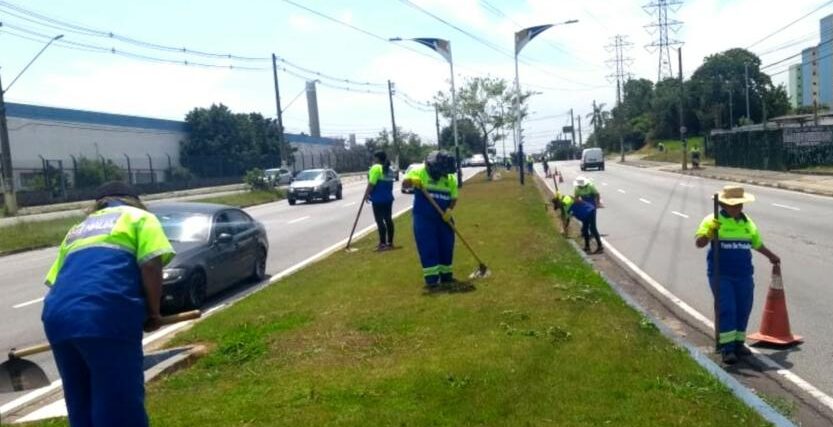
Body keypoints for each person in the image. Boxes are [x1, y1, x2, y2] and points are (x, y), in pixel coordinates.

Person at [42, 181, 175, 426]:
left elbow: (55, 280)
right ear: (134, 200)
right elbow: (150, 264)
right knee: (118, 403)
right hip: (106, 311)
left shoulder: (78, 229)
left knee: (81, 402)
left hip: (57, 317)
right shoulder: (139, 218)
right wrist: (154, 312)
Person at [695, 185, 780, 365]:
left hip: (744, 274)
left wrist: (772, 256)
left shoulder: (747, 223)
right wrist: (710, 232)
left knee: (744, 308)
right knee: (728, 309)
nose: (737, 208)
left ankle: (739, 343)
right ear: (724, 205)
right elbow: (699, 243)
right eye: (733, 205)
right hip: (721, 274)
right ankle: (727, 349)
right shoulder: (712, 219)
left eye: (740, 205)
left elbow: (756, 244)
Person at [402, 150, 458, 289]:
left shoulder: (449, 178)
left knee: (447, 246)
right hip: (424, 219)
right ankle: (432, 280)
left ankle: (446, 276)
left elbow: (453, 197)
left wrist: (449, 211)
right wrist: (411, 181)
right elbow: (404, 184)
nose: (444, 175)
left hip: (444, 219)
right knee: (428, 248)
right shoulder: (419, 172)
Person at [365, 151, 396, 251]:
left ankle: (382, 243)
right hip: (388, 198)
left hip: (378, 199)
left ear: (377, 158)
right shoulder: (390, 170)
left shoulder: (376, 168)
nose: (374, 160)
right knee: (388, 220)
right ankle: (390, 242)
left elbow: (371, 183)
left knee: (379, 220)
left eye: (374, 158)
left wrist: (366, 194)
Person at [573, 176, 603, 253]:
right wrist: (578, 201)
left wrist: (597, 202)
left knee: (593, 228)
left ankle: (600, 246)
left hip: (592, 207)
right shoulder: (577, 189)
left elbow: (597, 194)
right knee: (585, 228)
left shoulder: (590, 186)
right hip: (584, 208)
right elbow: (576, 198)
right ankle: (587, 247)